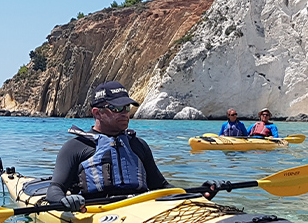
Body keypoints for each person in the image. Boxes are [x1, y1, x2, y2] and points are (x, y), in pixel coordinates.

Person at [46, 81, 227, 211]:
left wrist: (197, 194)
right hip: (97, 211)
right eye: (117, 109)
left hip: (140, 210)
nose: (125, 114)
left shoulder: (138, 145)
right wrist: (66, 201)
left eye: (127, 108)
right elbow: (55, 189)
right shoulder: (75, 147)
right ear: (97, 112)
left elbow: (161, 186)